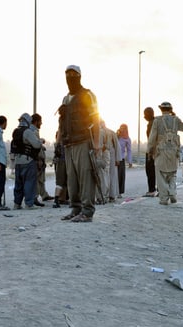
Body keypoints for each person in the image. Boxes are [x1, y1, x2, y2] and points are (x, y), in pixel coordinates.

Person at [58, 64, 100, 223]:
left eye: (73, 74)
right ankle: (76, 209)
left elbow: (95, 119)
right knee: (72, 180)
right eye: (67, 74)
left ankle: (87, 211)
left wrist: (96, 143)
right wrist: (59, 142)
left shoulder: (88, 95)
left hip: (83, 141)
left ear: (80, 76)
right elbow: (61, 122)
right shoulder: (65, 98)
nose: (70, 77)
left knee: (86, 177)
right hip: (68, 144)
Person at [147, 101, 183, 205]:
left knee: (161, 175)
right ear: (170, 109)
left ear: (161, 109)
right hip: (174, 151)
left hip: (161, 151)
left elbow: (152, 137)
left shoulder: (157, 120)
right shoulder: (176, 120)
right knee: (172, 173)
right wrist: (174, 116)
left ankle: (164, 198)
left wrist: (149, 149)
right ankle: (173, 193)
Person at [12, 113, 42, 210]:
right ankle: (29, 204)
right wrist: (41, 141)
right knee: (29, 183)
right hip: (28, 161)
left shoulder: (15, 131)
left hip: (17, 161)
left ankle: (17, 204)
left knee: (18, 183)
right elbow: (37, 145)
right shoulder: (28, 132)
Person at [31, 113, 52, 206]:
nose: (41, 123)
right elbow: (36, 147)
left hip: (38, 158)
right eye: (40, 121)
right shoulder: (34, 131)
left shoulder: (34, 130)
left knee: (41, 179)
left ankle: (44, 195)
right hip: (37, 159)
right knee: (37, 178)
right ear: (36, 122)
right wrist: (39, 159)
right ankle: (35, 197)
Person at [104, 122, 121, 203]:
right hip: (102, 155)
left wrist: (117, 159)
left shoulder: (111, 132)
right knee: (103, 176)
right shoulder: (97, 132)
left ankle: (112, 195)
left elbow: (117, 145)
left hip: (112, 154)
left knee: (112, 175)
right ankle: (104, 195)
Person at [52, 130, 69, 208]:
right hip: (66, 162)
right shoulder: (66, 144)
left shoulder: (57, 145)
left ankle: (57, 200)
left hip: (59, 162)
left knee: (59, 182)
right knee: (68, 181)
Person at [143, 107, 157, 197]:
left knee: (150, 171)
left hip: (152, 150)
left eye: (145, 114)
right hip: (155, 150)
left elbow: (152, 139)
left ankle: (152, 190)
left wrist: (150, 153)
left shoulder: (152, 124)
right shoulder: (154, 123)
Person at [117, 123, 132, 198]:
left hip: (121, 159)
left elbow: (129, 150)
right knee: (114, 176)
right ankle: (112, 192)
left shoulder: (127, 139)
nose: (122, 129)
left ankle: (119, 192)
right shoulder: (116, 136)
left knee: (121, 176)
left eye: (124, 128)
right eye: (121, 128)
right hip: (114, 159)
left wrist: (130, 161)